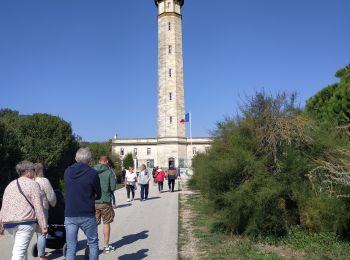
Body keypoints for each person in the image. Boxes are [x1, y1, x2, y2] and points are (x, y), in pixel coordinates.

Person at [0, 161, 48, 260]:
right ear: (27, 171)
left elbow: (4, 206)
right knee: (19, 253)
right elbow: (38, 206)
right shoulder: (33, 184)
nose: (34, 172)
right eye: (33, 170)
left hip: (9, 224)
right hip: (26, 223)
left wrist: (1, 224)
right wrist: (43, 225)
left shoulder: (10, 185)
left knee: (21, 249)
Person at [64, 148, 101, 260]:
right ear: (89, 160)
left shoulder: (67, 171)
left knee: (71, 247)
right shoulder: (93, 173)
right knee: (93, 243)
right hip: (87, 213)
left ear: (76, 158)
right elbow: (98, 193)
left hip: (70, 213)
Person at [94, 156, 116, 254]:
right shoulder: (109, 172)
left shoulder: (92, 171)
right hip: (105, 201)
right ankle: (106, 246)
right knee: (106, 223)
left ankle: (92, 246)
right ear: (106, 161)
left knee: (93, 224)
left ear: (99, 161)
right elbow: (113, 187)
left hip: (94, 201)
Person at [34, 163, 57, 260]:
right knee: (42, 232)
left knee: (37, 232)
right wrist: (54, 203)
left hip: (31, 210)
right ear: (41, 170)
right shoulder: (43, 181)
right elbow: (51, 196)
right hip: (42, 208)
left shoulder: (29, 181)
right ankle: (42, 256)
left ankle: (40, 250)